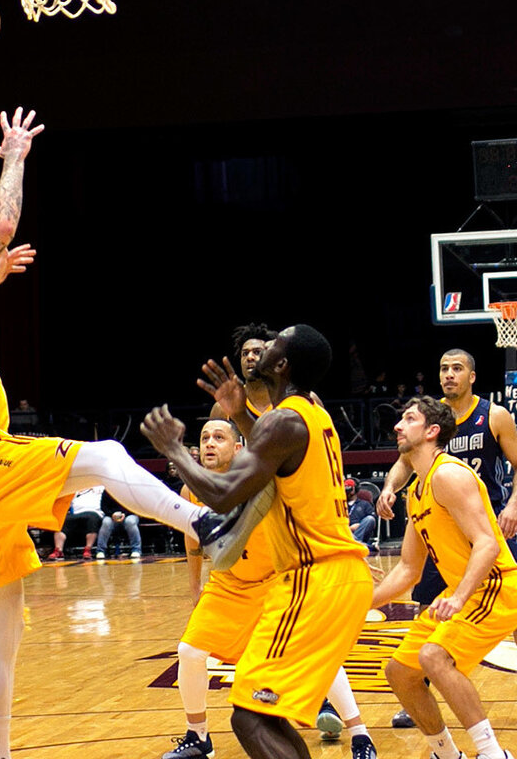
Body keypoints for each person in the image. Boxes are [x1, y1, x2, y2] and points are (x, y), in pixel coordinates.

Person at [0, 107, 263, 759]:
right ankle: (205, 525)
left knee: (2, 626)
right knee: (106, 454)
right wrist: (14, 157)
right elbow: (0, 226)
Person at [142, 325, 376, 759]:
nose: (262, 349)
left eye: (274, 345)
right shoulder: (309, 415)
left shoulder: (284, 421)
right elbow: (276, 452)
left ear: (283, 364)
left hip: (316, 577)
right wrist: (239, 414)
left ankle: (359, 727)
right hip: (333, 577)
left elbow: (223, 492)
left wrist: (175, 451)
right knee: (264, 715)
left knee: (249, 716)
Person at [377, 349, 517, 728]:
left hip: (487, 522)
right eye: (444, 368)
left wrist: (514, 504)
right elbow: (403, 463)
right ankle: (418, 684)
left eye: (457, 368)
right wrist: (389, 488)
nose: (449, 374)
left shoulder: (493, 416)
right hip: (441, 519)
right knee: (429, 602)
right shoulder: (428, 422)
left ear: (472, 376)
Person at [373, 396, 517, 759]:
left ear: (431, 431)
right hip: (463, 593)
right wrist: (359, 603)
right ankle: (445, 753)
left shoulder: (448, 474)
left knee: (433, 657)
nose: (398, 426)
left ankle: (493, 754)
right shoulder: (416, 490)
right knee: (399, 672)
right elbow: (409, 569)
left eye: (408, 419)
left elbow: (487, 544)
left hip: (496, 587)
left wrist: (457, 599)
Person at [46, 487, 104, 561]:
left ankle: (88, 549)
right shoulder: (75, 491)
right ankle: (58, 550)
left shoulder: (98, 488)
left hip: (94, 512)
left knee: (92, 519)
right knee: (63, 520)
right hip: (76, 513)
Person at [97, 490, 142, 559]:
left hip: (130, 514)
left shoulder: (131, 489)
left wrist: (124, 514)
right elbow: (103, 506)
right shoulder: (108, 490)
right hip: (111, 516)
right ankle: (100, 551)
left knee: (130, 522)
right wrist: (112, 514)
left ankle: (136, 550)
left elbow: (135, 505)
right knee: (106, 522)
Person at [345, 477, 377, 551]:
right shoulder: (341, 504)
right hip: (344, 531)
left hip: (359, 531)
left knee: (370, 519)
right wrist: (349, 529)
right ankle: (360, 545)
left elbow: (373, 520)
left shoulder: (365, 504)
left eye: (349, 488)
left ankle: (354, 543)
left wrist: (358, 526)